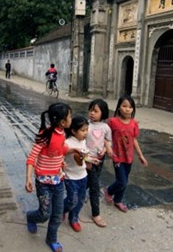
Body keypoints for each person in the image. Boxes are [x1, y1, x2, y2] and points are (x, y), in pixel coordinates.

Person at [25, 103, 79, 252]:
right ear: (62, 122)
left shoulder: (62, 133)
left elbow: (59, 150)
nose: (71, 119)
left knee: (56, 213)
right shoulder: (45, 136)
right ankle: (31, 217)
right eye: (69, 116)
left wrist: (68, 154)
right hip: (43, 183)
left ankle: (51, 239)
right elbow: (32, 158)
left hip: (58, 181)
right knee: (44, 214)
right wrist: (28, 178)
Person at [103, 94, 148, 213]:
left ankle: (118, 200)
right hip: (117, 157)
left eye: (130, 107)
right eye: (124, 106)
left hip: (129, 157)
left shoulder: (134, 124)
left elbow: (134, 140)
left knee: (125, 181)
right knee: (121, 181)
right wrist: (107, 148)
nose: (127, 109)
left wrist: (141, 156)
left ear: (133, 109)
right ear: (119, 107)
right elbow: (105, 135)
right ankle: (109, 190)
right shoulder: (112, 122)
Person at [85, 99, 112, 227]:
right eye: (91, 110)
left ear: (103, 113)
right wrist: (86, 158)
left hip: (99, 161)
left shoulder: (106, 127)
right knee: (94, 187)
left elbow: (108, 140)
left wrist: (105, 149)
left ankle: (68, 203)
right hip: (87, 161)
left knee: (86, 184)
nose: (92, 113)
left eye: (96, 111)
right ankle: (96, 214)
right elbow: (79, 141)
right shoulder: (86, 126)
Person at [62, 116, 89, 233]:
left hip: (83, 175)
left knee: (81, 199)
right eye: (83, 130)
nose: (85, 133)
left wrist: (91, 160)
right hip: (70, 177)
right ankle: (62, 209)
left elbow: (84, 157)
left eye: (86, 130)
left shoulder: (83, 141)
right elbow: (60, 156)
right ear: (73, 131)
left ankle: (74, 218)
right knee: (72, 199)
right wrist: (61, 165)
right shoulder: (67, 143)